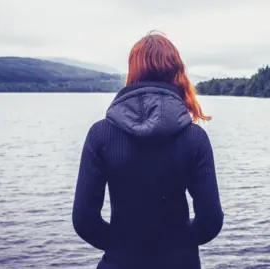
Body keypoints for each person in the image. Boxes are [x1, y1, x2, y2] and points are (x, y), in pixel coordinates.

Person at [72, 31, 224, 269]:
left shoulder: (100, 135)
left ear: (133, 72)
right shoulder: (195, 138)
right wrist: (178, 245)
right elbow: (211, 220)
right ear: (176, 73)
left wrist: (122, 246)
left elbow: (84, 220)